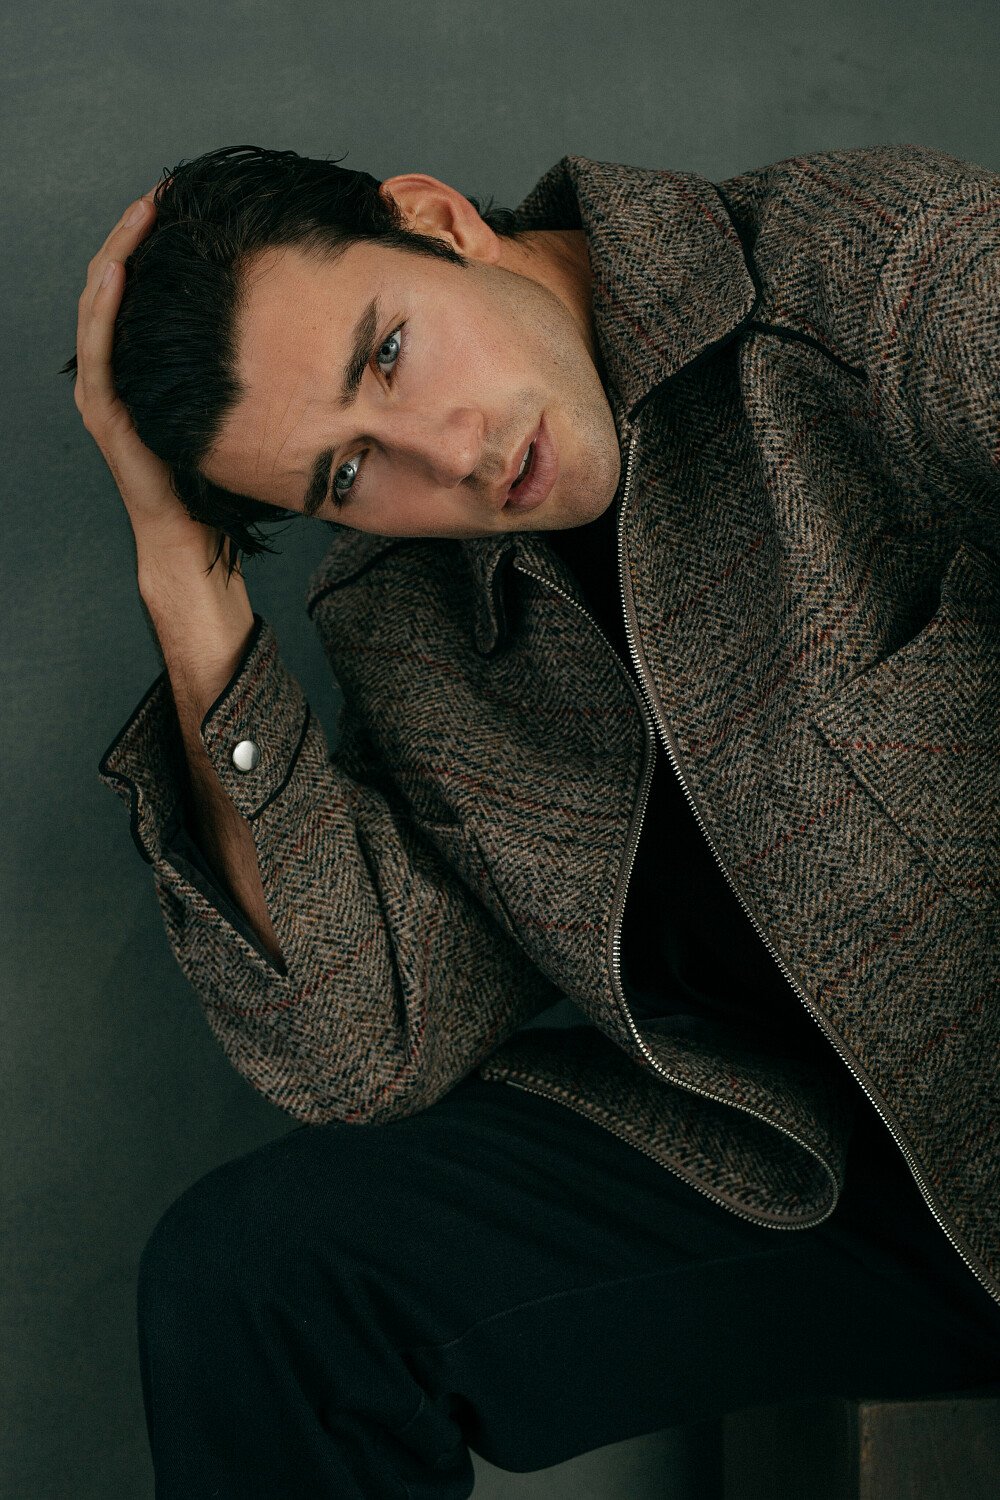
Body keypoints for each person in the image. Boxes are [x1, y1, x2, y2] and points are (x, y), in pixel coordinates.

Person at [67, 142, 999, 1497]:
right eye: (345, 474)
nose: (451, 457)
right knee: (261, 1279)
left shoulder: (876, 270)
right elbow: (362, 1047)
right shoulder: (408, 617)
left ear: (438, 222)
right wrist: (185, 583)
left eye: (389, 355)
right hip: (829, 1187)